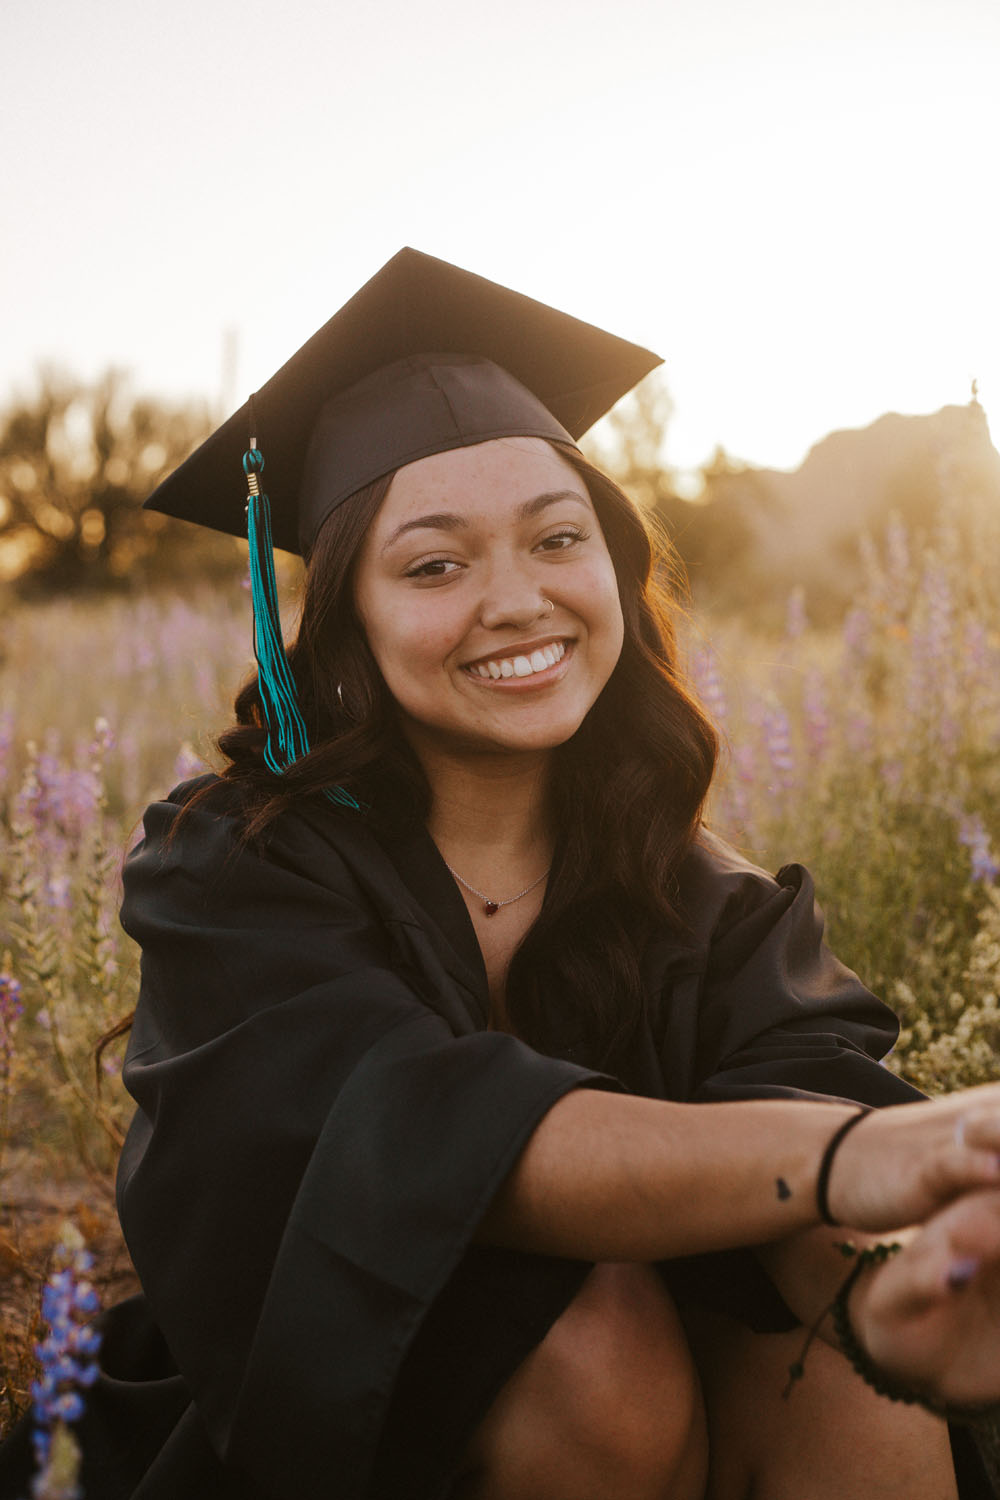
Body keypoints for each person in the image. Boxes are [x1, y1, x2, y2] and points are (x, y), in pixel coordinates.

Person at [2, 249, 1000, 1500]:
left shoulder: (706, 901)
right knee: (595, 1344)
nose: (517, 601)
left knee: (839, 1322)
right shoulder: (232, 868)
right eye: (434, 564)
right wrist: (858, 1154)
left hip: (698, 1430)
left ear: (618, 572)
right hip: (344, 1436)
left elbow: (815, 1103)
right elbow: (416, 1139)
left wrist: (905, 1265)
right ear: (345, 619)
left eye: (558, 539)